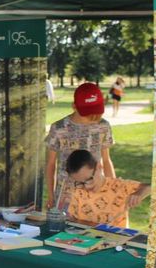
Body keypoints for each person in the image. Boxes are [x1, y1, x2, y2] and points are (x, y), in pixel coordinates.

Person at [45, 82, 115, 211]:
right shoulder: (59, 128)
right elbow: (51, 164)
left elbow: (106, 160)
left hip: (95, 196)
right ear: (74, 106)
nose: (92, 116)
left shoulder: (103, 126)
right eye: (87, 112)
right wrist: (51, 195)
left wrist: (113, 191)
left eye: (95, 111)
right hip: (66, 197)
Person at [65, 149, 151, 227]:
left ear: (99, 167)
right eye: (80, 182)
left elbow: (152, 187)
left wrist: (139, 193)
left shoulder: (119, 187)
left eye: (89, 180)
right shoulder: (77, 191)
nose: (86, 186)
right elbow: (74, 221)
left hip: (116, 238)